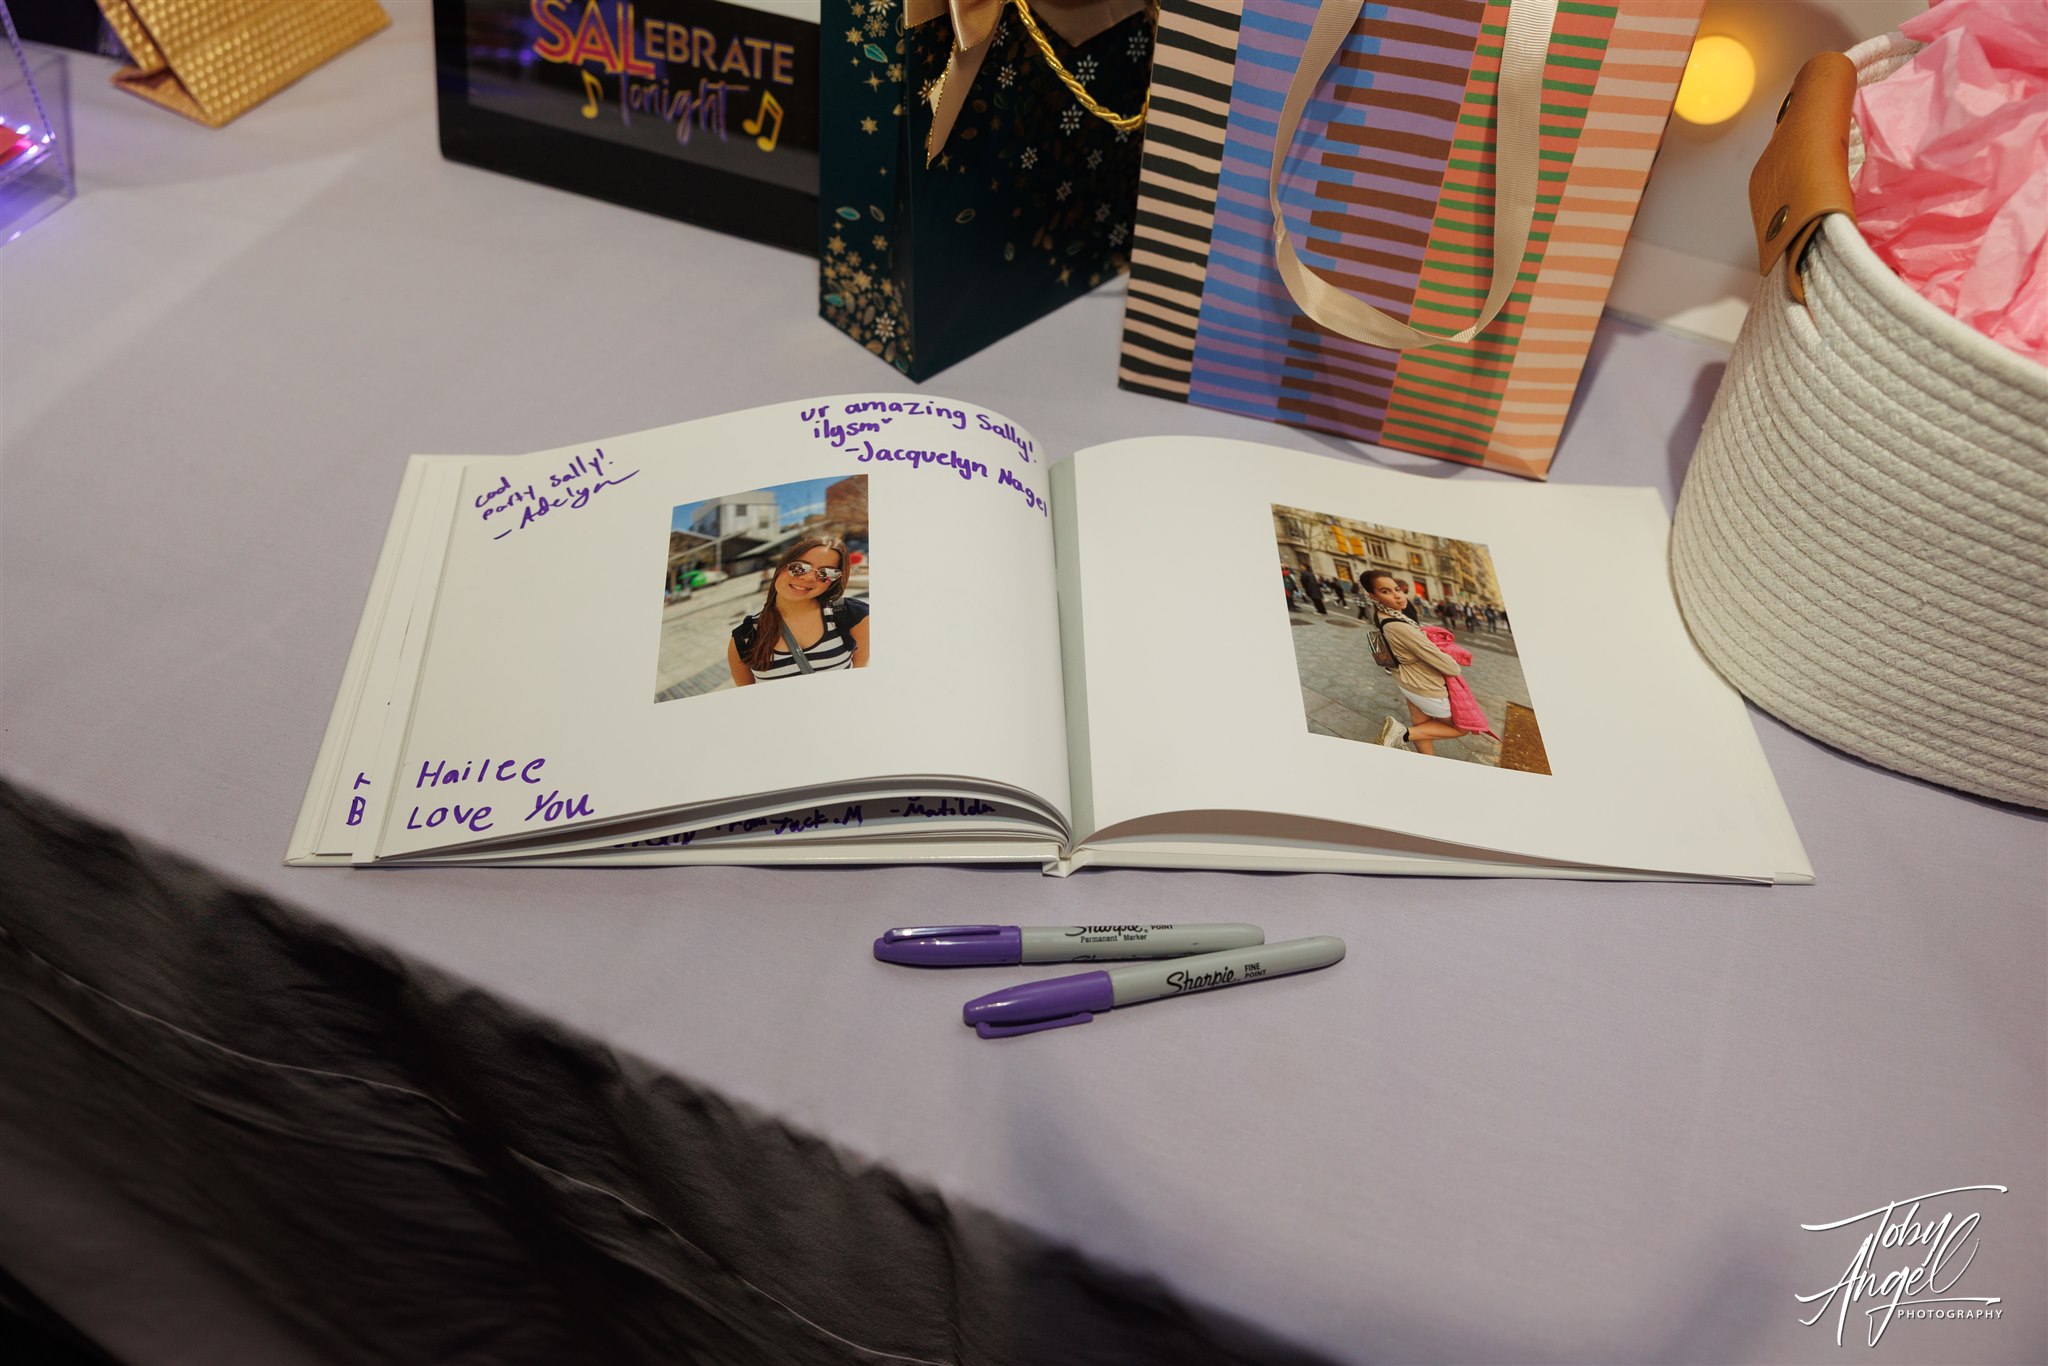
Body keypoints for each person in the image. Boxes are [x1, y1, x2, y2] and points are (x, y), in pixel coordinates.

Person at [727, 537, 870, 685]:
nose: (809, 578)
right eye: (799, 567)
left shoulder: (854, 616)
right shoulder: (745, 637)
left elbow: (856, 681)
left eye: (826, 573)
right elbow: (748, 699)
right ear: (781, 567)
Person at [1362, 570, 1473, 756]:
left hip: (1407, 682)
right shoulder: (1398, 625)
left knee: (1423, 727)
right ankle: (1401, 734)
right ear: (1373, 596)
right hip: (1424, 686)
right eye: (1386, 591)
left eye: (1396, 589)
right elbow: (1450, 667)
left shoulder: (1384, 615)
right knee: (1461, 728)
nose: (1397, 595)